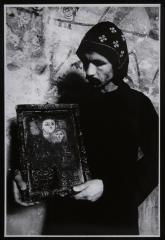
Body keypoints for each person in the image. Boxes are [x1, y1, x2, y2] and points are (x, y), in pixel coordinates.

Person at [13, 21, 158, 235]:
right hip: (65, 220)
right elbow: (47, 153)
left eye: (99, 63)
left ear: (117, 63)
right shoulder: (73, 103)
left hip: (113, 221)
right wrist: (21, 175)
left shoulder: (138, 105)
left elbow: (157, 160)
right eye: (86, 62)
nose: (89, 71)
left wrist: (108, 188)